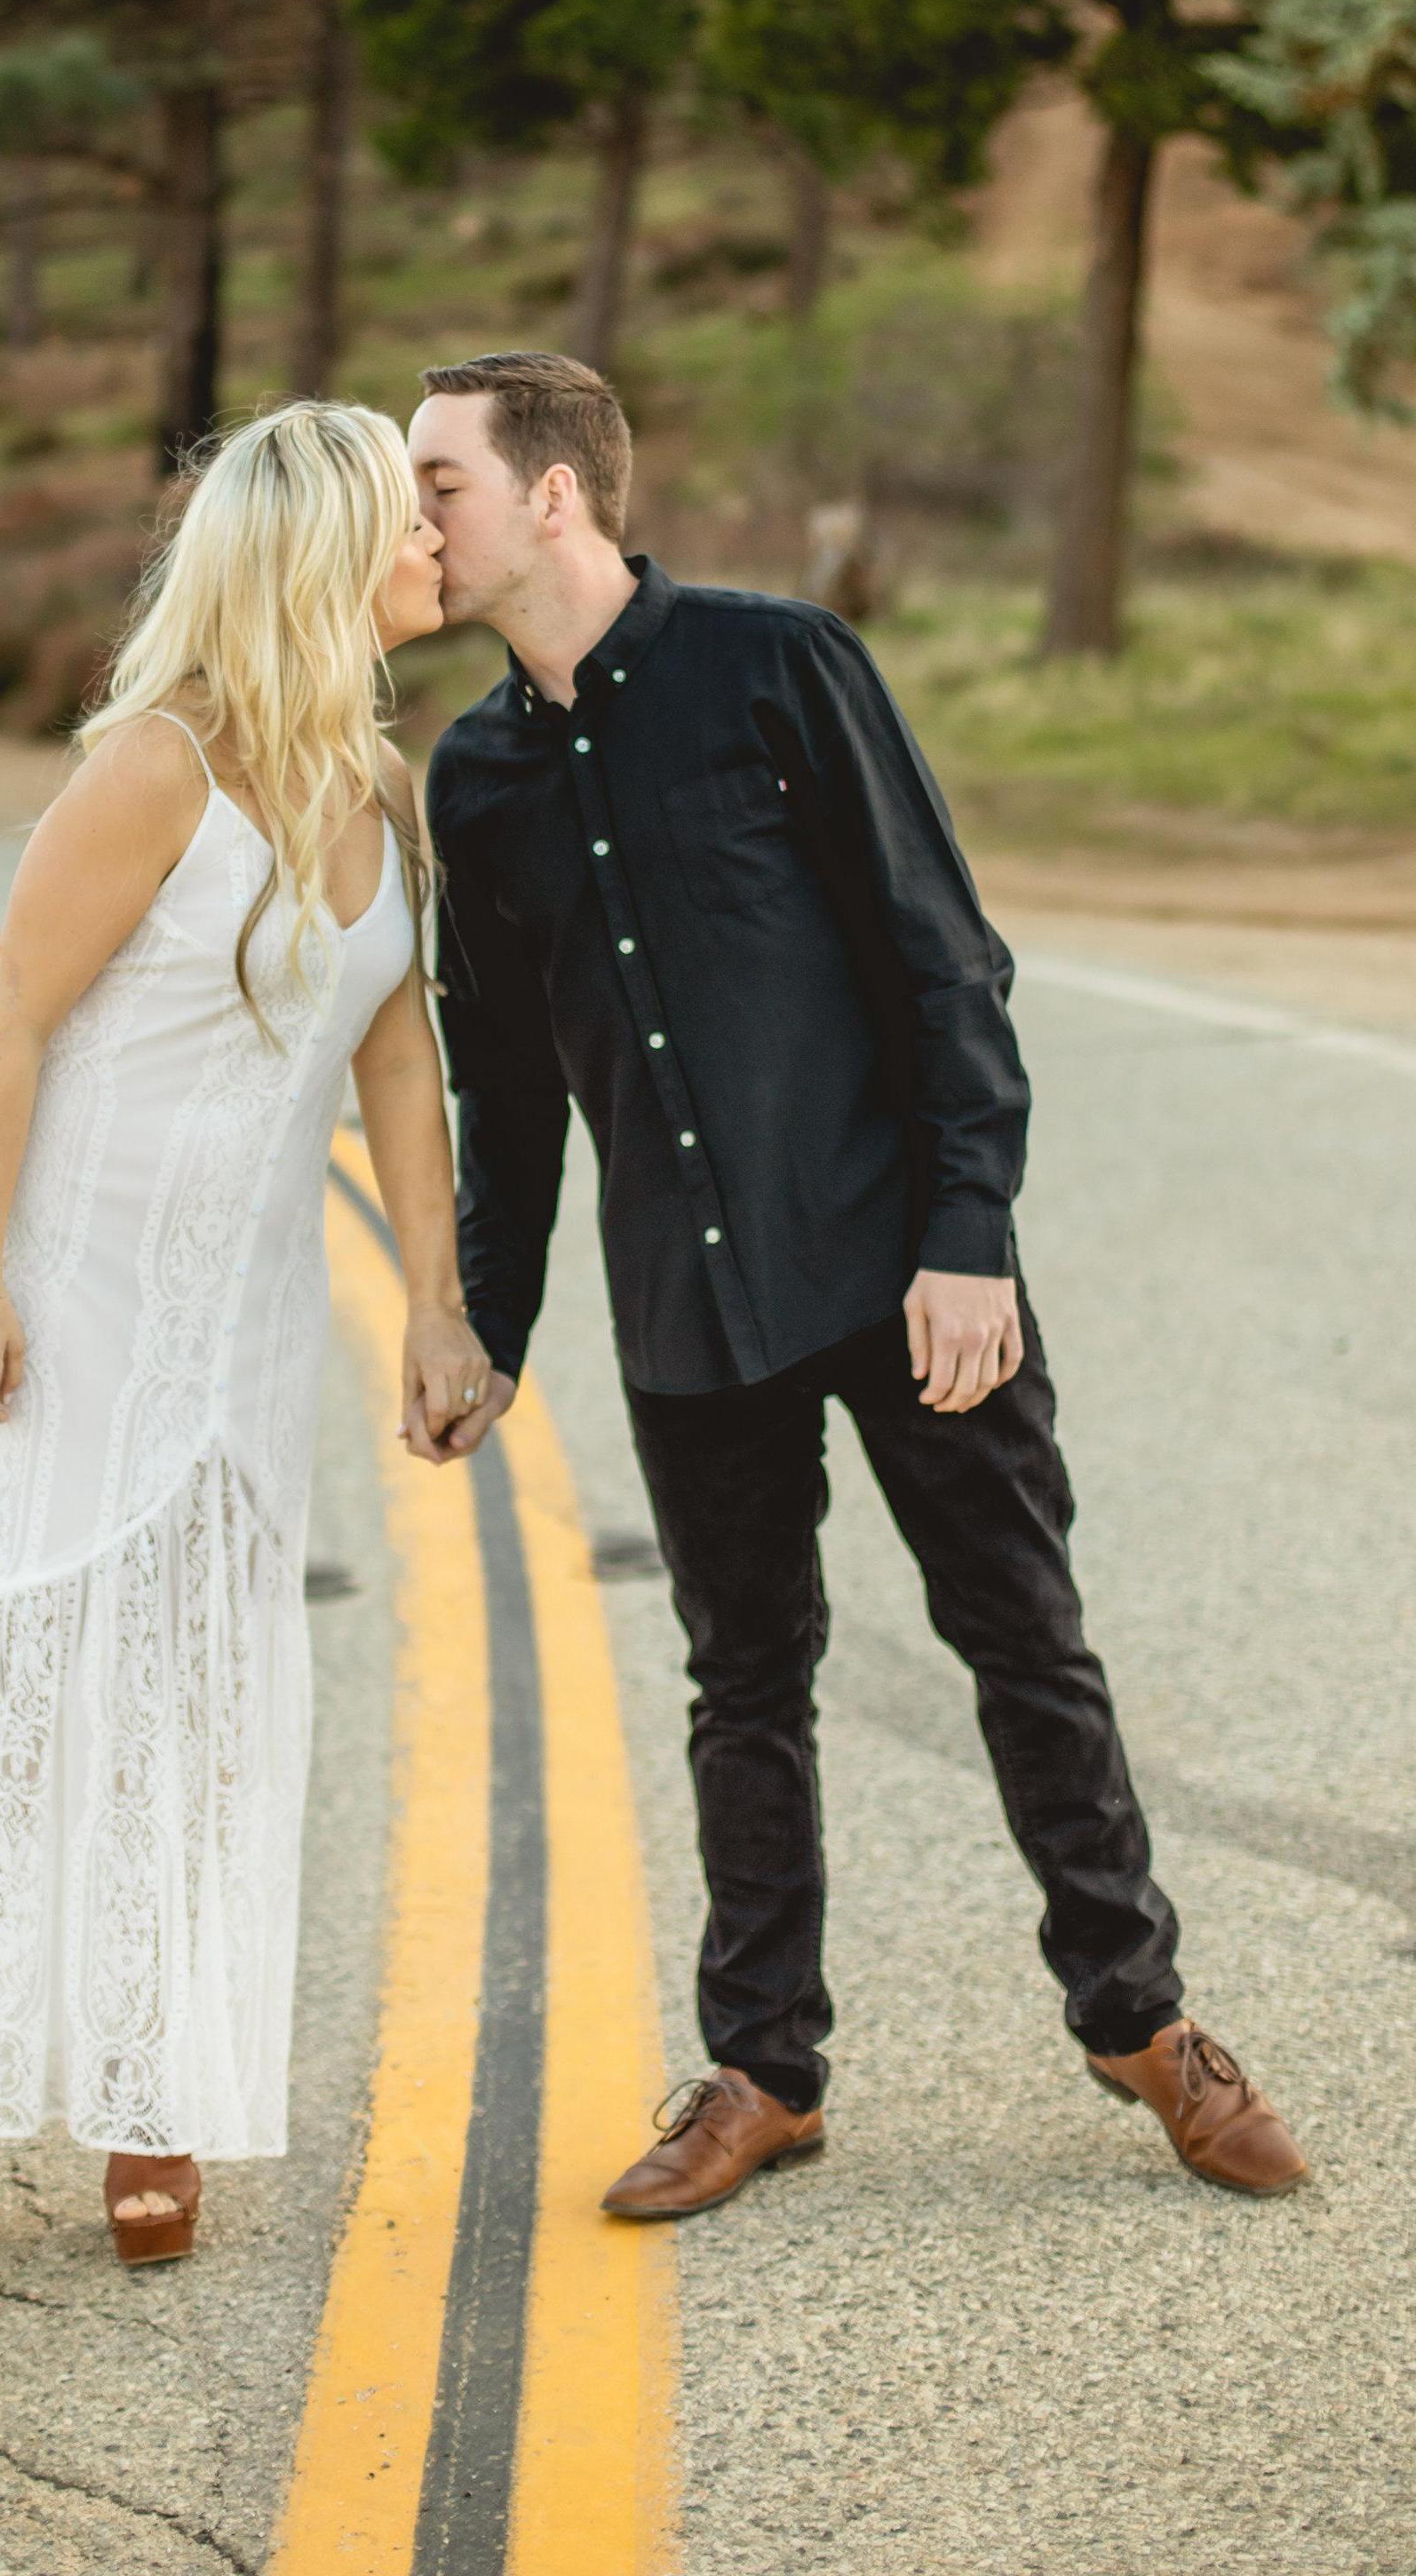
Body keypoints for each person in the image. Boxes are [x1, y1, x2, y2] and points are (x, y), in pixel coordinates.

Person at [407, 349, 1309, 2217]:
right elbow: (503, 1091)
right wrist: (484, 1324)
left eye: (439, 482)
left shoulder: (778, 666)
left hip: (905, 1275)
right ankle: (762, 2070)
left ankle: (1141, 2021)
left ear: (553, 494)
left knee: (1023, 1641)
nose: (410, 519)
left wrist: (968, 1236)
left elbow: (942, 958)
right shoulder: (474, 782)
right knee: (742, 1682)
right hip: (686, 1313)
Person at [0, 401, 492, 2265]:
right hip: (64, 1307)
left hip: (244, 1330)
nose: (432, 546)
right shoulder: (152, 770)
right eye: (405, 521)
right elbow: (11, 1026)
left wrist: (435, 1303)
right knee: (0, 1677)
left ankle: (150, 2082)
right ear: (324, 553)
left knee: (189, 1703)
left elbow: (396, 1060)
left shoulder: (376, 783)